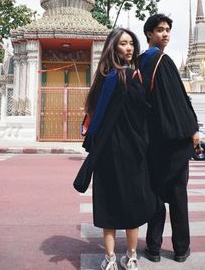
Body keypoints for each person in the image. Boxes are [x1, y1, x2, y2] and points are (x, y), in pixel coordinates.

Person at [74, 28, 161, 270]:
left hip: (108, 151)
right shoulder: (129, 76)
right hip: (130, 150)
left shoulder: (106, 77)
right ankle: (127, 257)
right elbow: (143, 114)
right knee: (129, 203)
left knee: (108, 203)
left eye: (131, 43)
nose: (129, 48)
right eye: (123, 44)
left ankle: (112, 258)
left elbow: (96, 116)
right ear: (113, 47)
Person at [138, 14, 200, 263]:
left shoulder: (141, 62)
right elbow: (178, 102)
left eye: (167, 30)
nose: (165, 34)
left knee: (155, 196)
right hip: (173, 143)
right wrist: (193, 130)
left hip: (151, 143)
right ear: (149, 34)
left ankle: (153, 248)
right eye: (160, 30)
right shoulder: (162, 61)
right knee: (176, 197)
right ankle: (181, 248)